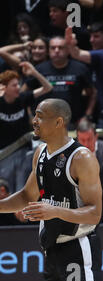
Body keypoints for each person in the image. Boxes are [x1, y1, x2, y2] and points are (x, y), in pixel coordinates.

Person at [0, 98, 103, 281]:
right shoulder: (39, 153)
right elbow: (26, 196)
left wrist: (55, 211)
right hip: (51, 249)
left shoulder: (82, 158)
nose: (35, 121)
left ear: (58, 122)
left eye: (40, 116)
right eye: (35, 115)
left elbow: (95, 214)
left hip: (78, 247)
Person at [0, 63, 52, 193]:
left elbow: (47, 87)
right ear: (4, 88)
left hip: (23, 150)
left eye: (18, 84)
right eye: (14, 85)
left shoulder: (23, 98)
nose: (18, 87)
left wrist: (34, 72)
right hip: (5, 153)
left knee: (21, 187)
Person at [24, 36, 96, 128]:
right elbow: (24, 95)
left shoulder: (80, 68)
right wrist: (30, 116)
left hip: (73, 122)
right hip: (44, 123)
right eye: (53, 48)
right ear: (48, 50)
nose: (57, 50)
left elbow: (93, 93)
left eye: (61, 47)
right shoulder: (39, 69)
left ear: (68, 50)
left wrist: (87, 116)